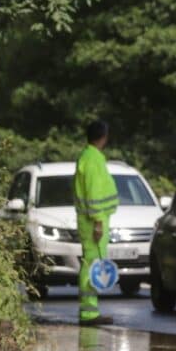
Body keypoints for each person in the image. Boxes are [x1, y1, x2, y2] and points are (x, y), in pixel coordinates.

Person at [74, 120, 119, 326]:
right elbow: (94, 195)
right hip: (94, 222)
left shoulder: (89, 157)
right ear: (104, 137)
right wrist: (99, 222)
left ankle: (90, 310)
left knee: (92, 263)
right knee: (92, 265)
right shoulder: (92, 160)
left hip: (92, 220)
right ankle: (89, 313)